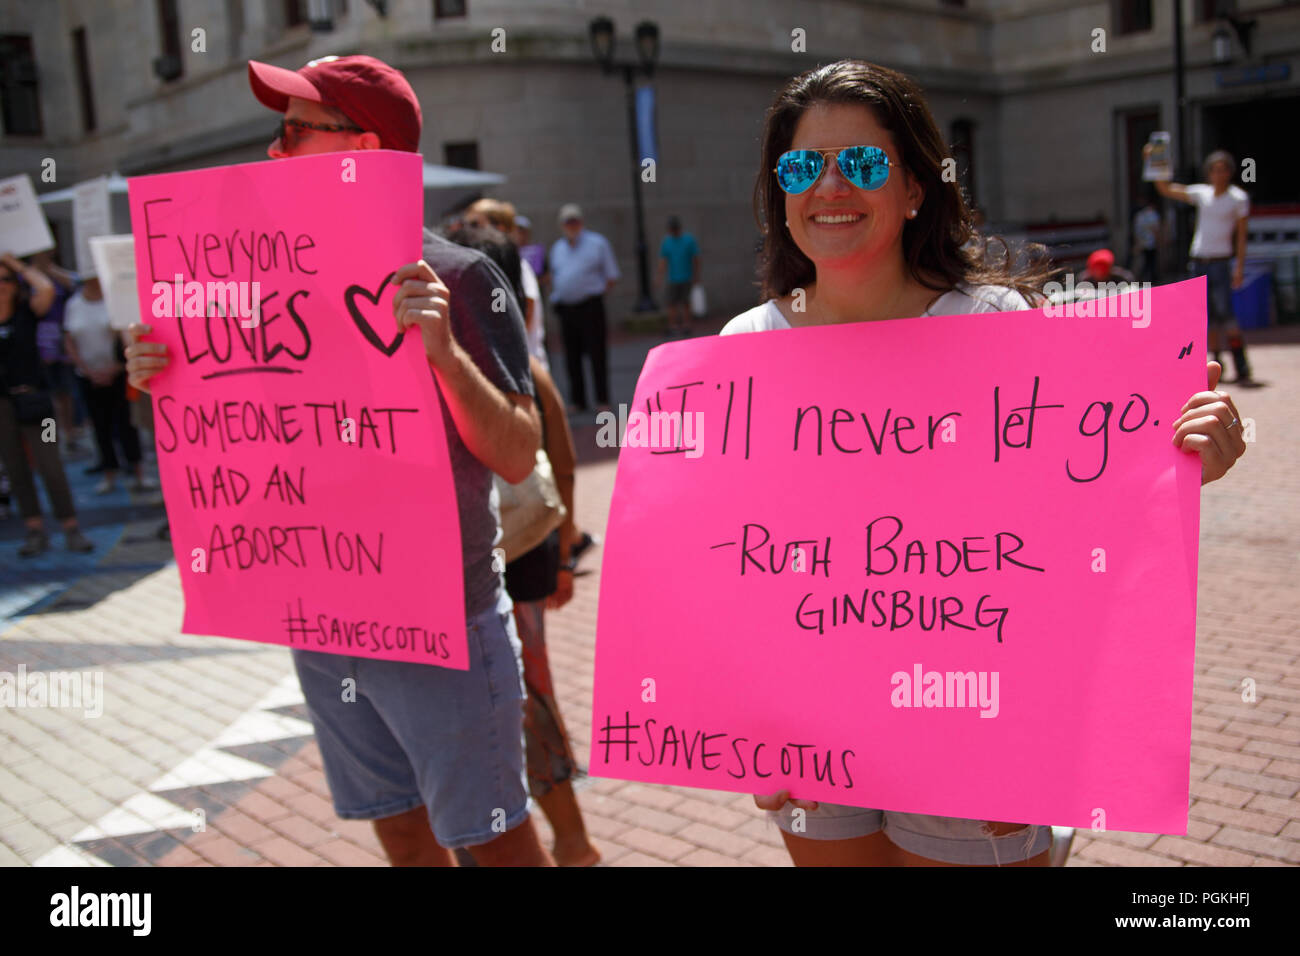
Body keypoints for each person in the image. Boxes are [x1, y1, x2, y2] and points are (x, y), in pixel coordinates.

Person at [727, 59, 1247, 866]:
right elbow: (726, 562)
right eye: (802, 166)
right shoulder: (743, 349)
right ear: (780, 193)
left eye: (862, 164)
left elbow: (1073, 525)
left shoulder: (996, 325)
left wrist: (1182, 463)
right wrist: (746, 723)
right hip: (814, 725)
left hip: (974, 717)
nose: (829, 185)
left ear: (913, 191)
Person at [125, 54, 553, 867]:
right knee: (399, 829)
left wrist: (442, 357)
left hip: (442, 622)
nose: (274, 151)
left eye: (293, 130)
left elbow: (517, 451)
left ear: (362, 146)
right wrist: (161, 374)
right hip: (324, 616)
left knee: (493, 844)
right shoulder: (252, 282)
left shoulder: (460, 275)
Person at [444, 220, 600, 866]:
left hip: (506, 572)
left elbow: (561, 459)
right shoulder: (519, 365)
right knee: (526, 703)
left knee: (524, 708)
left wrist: (563, 557)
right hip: (521, 566)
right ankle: (569, 842)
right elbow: (562, 467)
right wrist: (562, 555)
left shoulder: (503, 370)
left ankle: (571, 842)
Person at [0, 252, 95, 556]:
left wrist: (14, 263)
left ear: (15, 284)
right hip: (3, 408)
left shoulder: (28, 310)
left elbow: (47, 289)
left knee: (51, 464)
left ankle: (71, 527)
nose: (1, 286)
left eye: (5, 280)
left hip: (40, 404)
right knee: (16, 469)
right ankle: (35, 530)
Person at [1151, 146, 1257, 386]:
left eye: (1223, 170)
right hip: (1198, 262)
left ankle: (1241, 364)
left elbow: (1241, 236)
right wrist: (1156, 163)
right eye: (1214, 170)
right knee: (1203, 316)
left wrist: (1239, 267)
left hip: (1220, 262)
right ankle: (1215, 363)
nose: (1218, 175)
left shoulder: (1238, 199)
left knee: (1225, 313)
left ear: (1229, 173)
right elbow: (1165, 188)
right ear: (1209, 173)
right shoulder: (1202, 193)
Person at [63, 274, 149, 494]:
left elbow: (127, 337)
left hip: (119, 374)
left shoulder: (114, 302)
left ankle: (138, 472)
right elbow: (68, 340)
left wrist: (117, 367)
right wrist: (86, 370)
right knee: (100, 427)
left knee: (127, 424)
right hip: (88, 377)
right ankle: (109, 473)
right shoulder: (73, 305)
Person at [548, 204, 619, 412]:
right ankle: (578, 400)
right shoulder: (557, 248)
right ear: (562, 225)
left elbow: (611, 276)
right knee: (571, 356)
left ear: (581, 222)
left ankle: (602, 398)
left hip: (590, 305)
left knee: (597, 353)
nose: (571, 225)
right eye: (567, 222)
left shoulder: (597, 243)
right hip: (566, 308)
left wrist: (594, 294)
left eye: (574, 221)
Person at [463, 198, 549, 371]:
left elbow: (515, 316)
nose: (467, 230)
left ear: (498, 228)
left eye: (475, 224)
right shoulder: (493, 264)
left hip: (522, 370)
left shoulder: (513, 267)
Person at [658, 215, 700, 335]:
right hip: (674, 277)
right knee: (673, 303)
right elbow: (663, 261)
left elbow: (696, 258)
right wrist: (660, 276)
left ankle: (686, 324)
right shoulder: (668, 242)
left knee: (685, 302)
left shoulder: (688, 240)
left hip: (685, 276)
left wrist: (696, 275)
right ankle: (674, 325)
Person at [1132, 188, 1163, 284]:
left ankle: (1142, 281)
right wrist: (1159, 242)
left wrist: (1136, 243)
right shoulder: (1153, 215)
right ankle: (1151, 282)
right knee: (1151, 264)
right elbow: (1155, 230)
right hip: (1151, 243)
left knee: (1145, 264)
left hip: (1142, 243)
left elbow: (1135, 231)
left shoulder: (1139, 216)